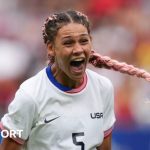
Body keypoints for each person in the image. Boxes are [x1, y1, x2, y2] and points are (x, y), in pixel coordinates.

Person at [0, 10, 150, 150]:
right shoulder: (30, 95)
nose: (78, 49)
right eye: (68, 43)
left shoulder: (103, 88)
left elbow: (104, 146)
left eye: (84, 41)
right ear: (51, 48)